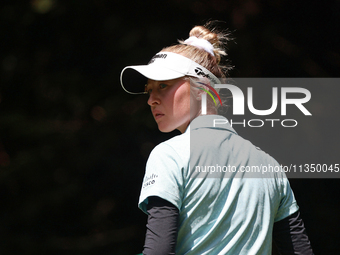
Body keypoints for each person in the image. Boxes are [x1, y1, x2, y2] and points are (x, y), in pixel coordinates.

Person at [120, 22, 314, 255]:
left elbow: (158, 251)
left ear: (202, 88)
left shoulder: (170, 155)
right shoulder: (270, 166)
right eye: (149, 89)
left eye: (163, 85)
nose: (151, 99)